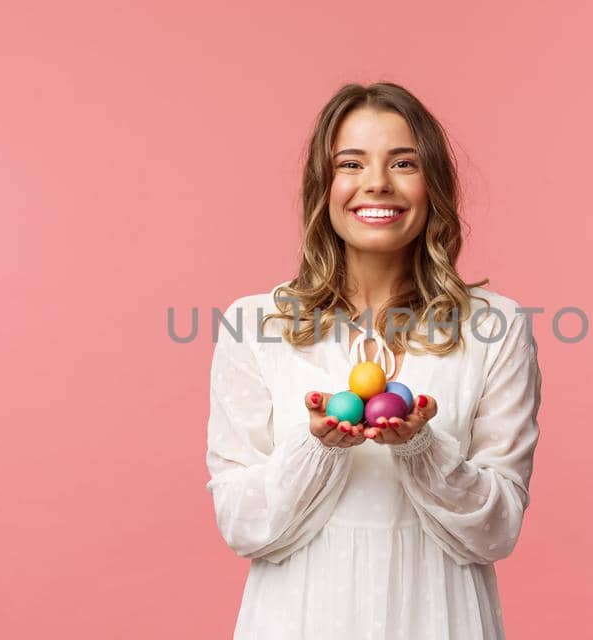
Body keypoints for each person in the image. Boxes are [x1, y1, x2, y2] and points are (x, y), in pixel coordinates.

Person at [204, 82, 542, 639]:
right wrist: (318, 449)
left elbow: (497, 531)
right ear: (324, 185)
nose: (376, 183)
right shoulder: (256, 324)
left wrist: (421, 448)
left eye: (403, 162)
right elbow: (243, 526)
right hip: (298, 619)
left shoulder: (494, 327)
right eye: (351, 163)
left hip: (440, 618)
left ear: (433, 183)